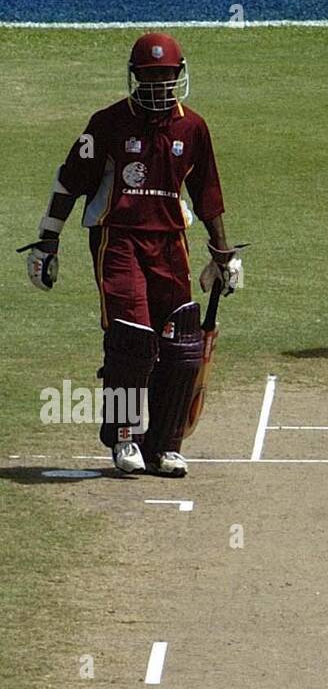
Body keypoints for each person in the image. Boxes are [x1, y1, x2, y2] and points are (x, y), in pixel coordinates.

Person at [21, 32, 242, 478]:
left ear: (179, 76)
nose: (160, 85)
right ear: (135, 78)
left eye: (167, 76)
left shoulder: (192, 128)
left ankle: (165, 445)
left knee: (182, 344)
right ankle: (125, 438)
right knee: (132, 339)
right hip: (116, 238)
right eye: (150, 76)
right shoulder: (107, 124)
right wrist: (48, 240)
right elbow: (69, 181)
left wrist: (223, 254)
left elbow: (208, 194)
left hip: (169, 241)